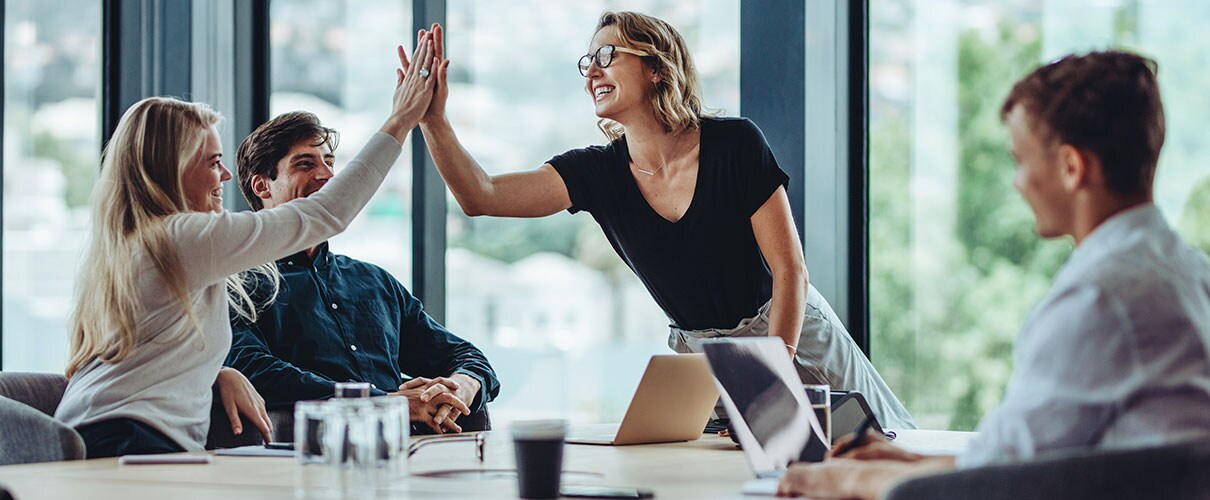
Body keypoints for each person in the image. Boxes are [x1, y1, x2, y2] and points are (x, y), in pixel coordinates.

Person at [407, 14, 914, 429]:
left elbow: (790, 271)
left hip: (791, 330)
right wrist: (435, 121)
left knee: (884, 447)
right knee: (734, 477)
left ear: (655, 67)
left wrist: (770, 372)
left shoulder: (735, 143)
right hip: (703, 358)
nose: (592, 72)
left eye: (607, 55)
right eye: (587, 62)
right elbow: (481, 195)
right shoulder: (596, 173)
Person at [776, 50, 1210, 499]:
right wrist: (912, 462)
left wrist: (848, 479)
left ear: (1071, 167)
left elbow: (997, 484)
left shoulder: (1101, 296)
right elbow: (1025, 457)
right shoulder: (1186, 271)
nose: (1017, 182)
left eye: (1021, 160)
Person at [53, 32, 441, 458]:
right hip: (126, 441)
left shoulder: (139, 243)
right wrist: (400, 121)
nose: (225, 177)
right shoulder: (180, 238)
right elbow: (326, 214)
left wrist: (218, 372)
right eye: (212, 162)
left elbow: (151, 351)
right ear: (171, 169)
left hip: (104, 433)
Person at [226, 111, 501, 435]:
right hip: (310, 458)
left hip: (409, 456)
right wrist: (382, 403)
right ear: (262, 185)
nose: (327, 175)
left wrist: (462, 386)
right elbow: (253, 369)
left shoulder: (374, 282)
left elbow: (464, 354)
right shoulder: (238, 285)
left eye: (329, 162)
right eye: (305, 164)